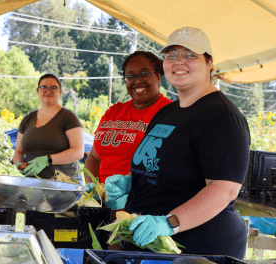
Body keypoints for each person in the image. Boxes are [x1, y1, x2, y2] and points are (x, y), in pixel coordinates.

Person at [105, 27, 250, 260]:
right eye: (171, 55)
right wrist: (130, 184)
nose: (178, 61)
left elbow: (223, 189)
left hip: (196, 250)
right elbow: (167, 170)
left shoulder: (221, 115)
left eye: (190, 55)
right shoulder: (168, 112)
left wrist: (170, 223)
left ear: (209, 62)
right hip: (153, 247)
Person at [84, 51, 172, 212]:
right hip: (102, 207)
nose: (137, 81)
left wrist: (130, 187)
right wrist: (94, 190)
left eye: (144, 74)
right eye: (130, 76)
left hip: (142, 208)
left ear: (158, 76)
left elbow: (168, 167)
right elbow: (94, 157)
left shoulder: (170, 113)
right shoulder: (114, 111)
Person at [13, 73, 84, 181]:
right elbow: (18, 152)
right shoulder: (27, 119)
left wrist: (48, 160)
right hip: (33, 186)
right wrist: (19, 164)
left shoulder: (69, 117)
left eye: (53, 88)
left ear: (60, 92)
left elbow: (78, 151)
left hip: (65, 185)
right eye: (43, 87)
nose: (48, 91)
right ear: (38, 91)